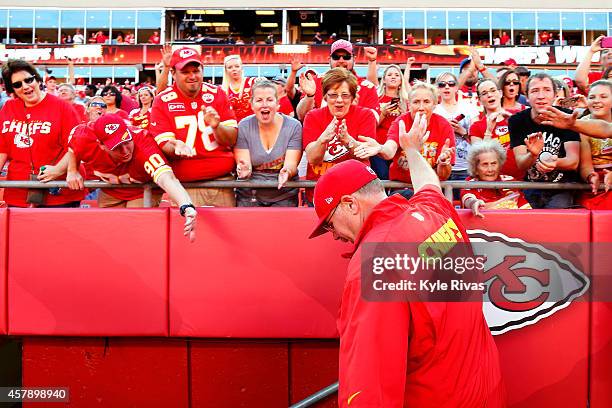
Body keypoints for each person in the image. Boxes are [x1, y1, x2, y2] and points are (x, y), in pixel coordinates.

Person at [308, 122, 504, 406]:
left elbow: (370, 382)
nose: (334, 234)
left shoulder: (374, 264)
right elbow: (429, 185)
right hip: (485, 389)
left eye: (329, 223)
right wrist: (412, 150)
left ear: (350, 204)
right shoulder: (432, 212)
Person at [66, 114, 197, 240]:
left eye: (126, 141)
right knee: (108, 234)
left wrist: (186, 206)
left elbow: (167, 178)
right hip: (111, 191)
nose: (125, 151)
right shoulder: (84, 138)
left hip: (141, 191)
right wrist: (72, 170)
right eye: (117, 147)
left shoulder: (143, 143)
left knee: (135, 233)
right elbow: (73, 147)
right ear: (101, 145)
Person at [149, 47, 238, 207]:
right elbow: (164, 144)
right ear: (173, 74)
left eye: (196, 70)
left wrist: (217, 127)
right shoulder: (162, 100)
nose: (192, 76)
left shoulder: (217, 94)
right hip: (182, 187)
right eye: (185, 72)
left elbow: (231, 139)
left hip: (222, 183)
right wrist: (175, 146)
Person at [0, 59, 85, 207]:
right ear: (11, 89)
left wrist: (58, 170)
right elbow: (2, 148)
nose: (25, 86)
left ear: (37, 79)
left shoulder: (62, 107)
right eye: (17, 84)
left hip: (58, 190)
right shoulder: (8, 107)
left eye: (28, 80)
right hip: (18, 190)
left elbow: (77, 145)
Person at [302, 68, 377, 205]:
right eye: (333, 95)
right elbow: (312, 158)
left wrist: (348, 140)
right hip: (319, 191)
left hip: (355, 192)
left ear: (353, 98)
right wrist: (322, 140)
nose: (339, 100)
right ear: (325, 97)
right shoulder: (313, 117)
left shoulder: (365, 115)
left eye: (345, 95)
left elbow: (365, 154)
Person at [509, 73, 580, 208]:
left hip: (562, 188)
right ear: (527, 96)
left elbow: (573, 161)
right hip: (531, 187)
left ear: (554, 94)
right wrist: (532, 155)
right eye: (535, 91)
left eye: (546, 90)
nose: (541, 96)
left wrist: (554, 162)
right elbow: (521, 163)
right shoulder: (517, 121)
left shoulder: (567, 117)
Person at [372, 82, 456, 188]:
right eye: (416, 102)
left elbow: (443, 175)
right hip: (403, 187)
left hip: (431, 187)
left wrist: (443, 163)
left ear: (435, 105)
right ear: (409, 105)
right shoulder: (401, 122)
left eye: (426, 102)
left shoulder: (444, 126)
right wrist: (380, 148)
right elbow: (390, 149)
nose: (421, 107)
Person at [234, 80, 302, 207]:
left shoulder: (293, 126)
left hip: (284, 195)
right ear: (252, 105)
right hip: (250, 195)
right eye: (259, 100)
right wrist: (244, 169)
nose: (264, 105)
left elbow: (291, 164)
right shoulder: (243, 126)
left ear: (277, 104)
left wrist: (286, 172)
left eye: (270, 100)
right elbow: (244, 163)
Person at [296, 39, 379, 122]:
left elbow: (374, 123)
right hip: (319, 134)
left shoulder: (367, 88)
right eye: (336, 57)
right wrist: (309, 97)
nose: (341, 60)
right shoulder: (315, 82)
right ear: (329, 60)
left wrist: (355, 110)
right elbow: (301, 116)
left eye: (346, 57)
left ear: (354, 59)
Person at [461, 140, 531, 217]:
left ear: (500, 164)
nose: (490, 169)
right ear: (475, 168)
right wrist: (474, 203)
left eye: (493, 163)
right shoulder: (470, 183)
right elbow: (468, 198)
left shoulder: (509, 181)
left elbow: (525, 209)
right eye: (485, 164)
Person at [470, 79, 522, 180]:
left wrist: (516, 124)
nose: (490, 95)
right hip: (494, 183)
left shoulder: (518, 117)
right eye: (484, 93)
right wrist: (488, 131)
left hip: (521, 180)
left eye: (493, 90)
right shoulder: (476, 127)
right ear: (479, 100)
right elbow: (479, 159)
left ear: (501, 93)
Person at [433, 72, 479, 186]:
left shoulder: (469, 108)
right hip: (441, 167)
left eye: (451, 84)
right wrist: (444, 129)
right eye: (442, 84)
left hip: (467, 167)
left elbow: (479, 141)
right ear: (437, 89)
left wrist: (461, 131)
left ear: (457, 87)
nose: (446, 87)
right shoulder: (433, 111)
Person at [371, 62, 411, 179]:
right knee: (382, 176)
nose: (393, 77)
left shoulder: (407, 101)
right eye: (389, 75)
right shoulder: (375, 99)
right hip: (379, 146)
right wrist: (383, 113)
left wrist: (404, 114)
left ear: (401, 80)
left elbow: (410, 126)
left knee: (398, 178)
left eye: (397, 75)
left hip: (399, 148)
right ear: (383, 80)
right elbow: (370, 126)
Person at [576, 80, 612, 209]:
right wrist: (591, 176)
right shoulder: (580, 125)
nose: (596, 101)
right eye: (592, 97)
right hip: (592, 185)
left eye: (603, 97)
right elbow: (585, 165)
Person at [221, 55, 259, 123]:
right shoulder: (223, 90)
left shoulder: (253, 82)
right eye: (230, 67)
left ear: (241, 67)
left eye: (237, 66)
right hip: (234, 128)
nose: (234, 69)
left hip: (254, 125)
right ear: (226, 70)